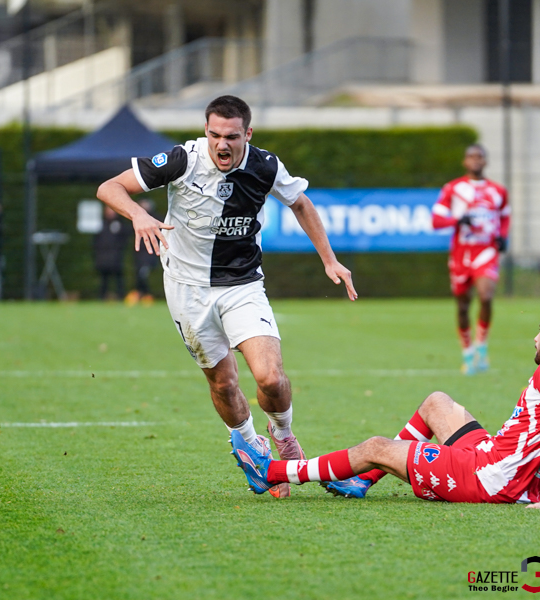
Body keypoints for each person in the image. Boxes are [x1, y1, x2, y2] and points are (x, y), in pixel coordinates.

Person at [97, 95, 357, 498]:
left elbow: (301, 203)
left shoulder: (265, 166)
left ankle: (284, 435)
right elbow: (109, 187)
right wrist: (139, 214)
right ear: (206, 132)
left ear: (247, 135)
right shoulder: (183, 160)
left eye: (232, 137)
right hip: (187, 288)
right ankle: (251, 446)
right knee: (223, 383)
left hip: (242, 284)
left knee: (270, 378)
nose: (222, 144)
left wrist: (330, 261)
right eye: (215, 134)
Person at [232, 305, 540, 509]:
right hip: (492, 458)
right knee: (436, 402)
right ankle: (362, 480)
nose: (536, 336)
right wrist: (535, 483)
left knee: (375, 447)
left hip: (488, 476)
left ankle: (273, 472)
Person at [432, 144, 510, 375]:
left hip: (486, 252)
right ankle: (467, 352)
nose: (476, 160)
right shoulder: (453, 189)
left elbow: (505, 217)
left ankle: (482, 346)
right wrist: (457, 220)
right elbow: (436, 221)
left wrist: (503, 237)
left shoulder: (498, 190)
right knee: (463, 305)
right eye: (471, 157)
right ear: (465, 162)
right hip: (461, 254)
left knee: (486, 296)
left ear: (485, 161)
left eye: (480, 157)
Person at [124, 197, 161, 306]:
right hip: (139, 253)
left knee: (143, 274)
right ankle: (141, 294)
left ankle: (146, 294)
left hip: (150, 253)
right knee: (139, 273)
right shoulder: (137, 220)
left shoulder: (156, 219)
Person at [93, 204, 130, 300]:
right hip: (103, 257)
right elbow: (95, 241)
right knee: (104, 279)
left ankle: (121, 297)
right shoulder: (100, 224)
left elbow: (125, 238)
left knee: (118, 278)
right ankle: (102, 297)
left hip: (116, 256)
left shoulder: (120, 224)